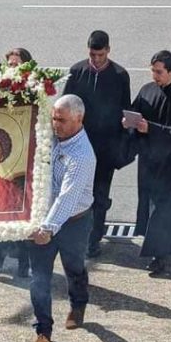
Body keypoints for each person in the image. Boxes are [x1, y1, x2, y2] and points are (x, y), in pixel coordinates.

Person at [28, 94, 96, 342]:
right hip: (44, 217)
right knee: (40, 276)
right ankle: (43, 329)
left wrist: (47, 229)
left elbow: (67, 199)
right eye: (54, 118)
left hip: (73, 222)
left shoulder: (82, 155)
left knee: (74, 267)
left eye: (62, 120)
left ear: (79, 119)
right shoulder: (52, 136)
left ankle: (78, 304)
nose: (56, 125)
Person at [122, 50, 171, 276]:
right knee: (150, 205)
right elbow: (136, 112)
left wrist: (151, 129)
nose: (155, 76)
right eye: (153, 71)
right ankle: (156, 248)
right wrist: (129, 122)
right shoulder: (148, 91)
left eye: (159, 72)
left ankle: (160, 255)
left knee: (166, 209)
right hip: (149, 160)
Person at [63, 30, 131, 257]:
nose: (96, 59)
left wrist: (121, 146)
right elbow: (65, 105)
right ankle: (76, 235)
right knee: (76, 193)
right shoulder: (77, 71)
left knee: (99, 195)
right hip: (79, 145)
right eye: (93, 55)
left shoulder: (120, 75)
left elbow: (125, 110)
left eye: (100, 55)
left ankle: (94, 239)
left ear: (108, 51)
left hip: (105, 149)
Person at [0, 46, 35, 277]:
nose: (12, 68)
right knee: (1, 209)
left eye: (17, 64)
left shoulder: (35, 90)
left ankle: (24, 262)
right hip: (4, 158)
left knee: (23, 211)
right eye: (10, 64)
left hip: (25, 159)